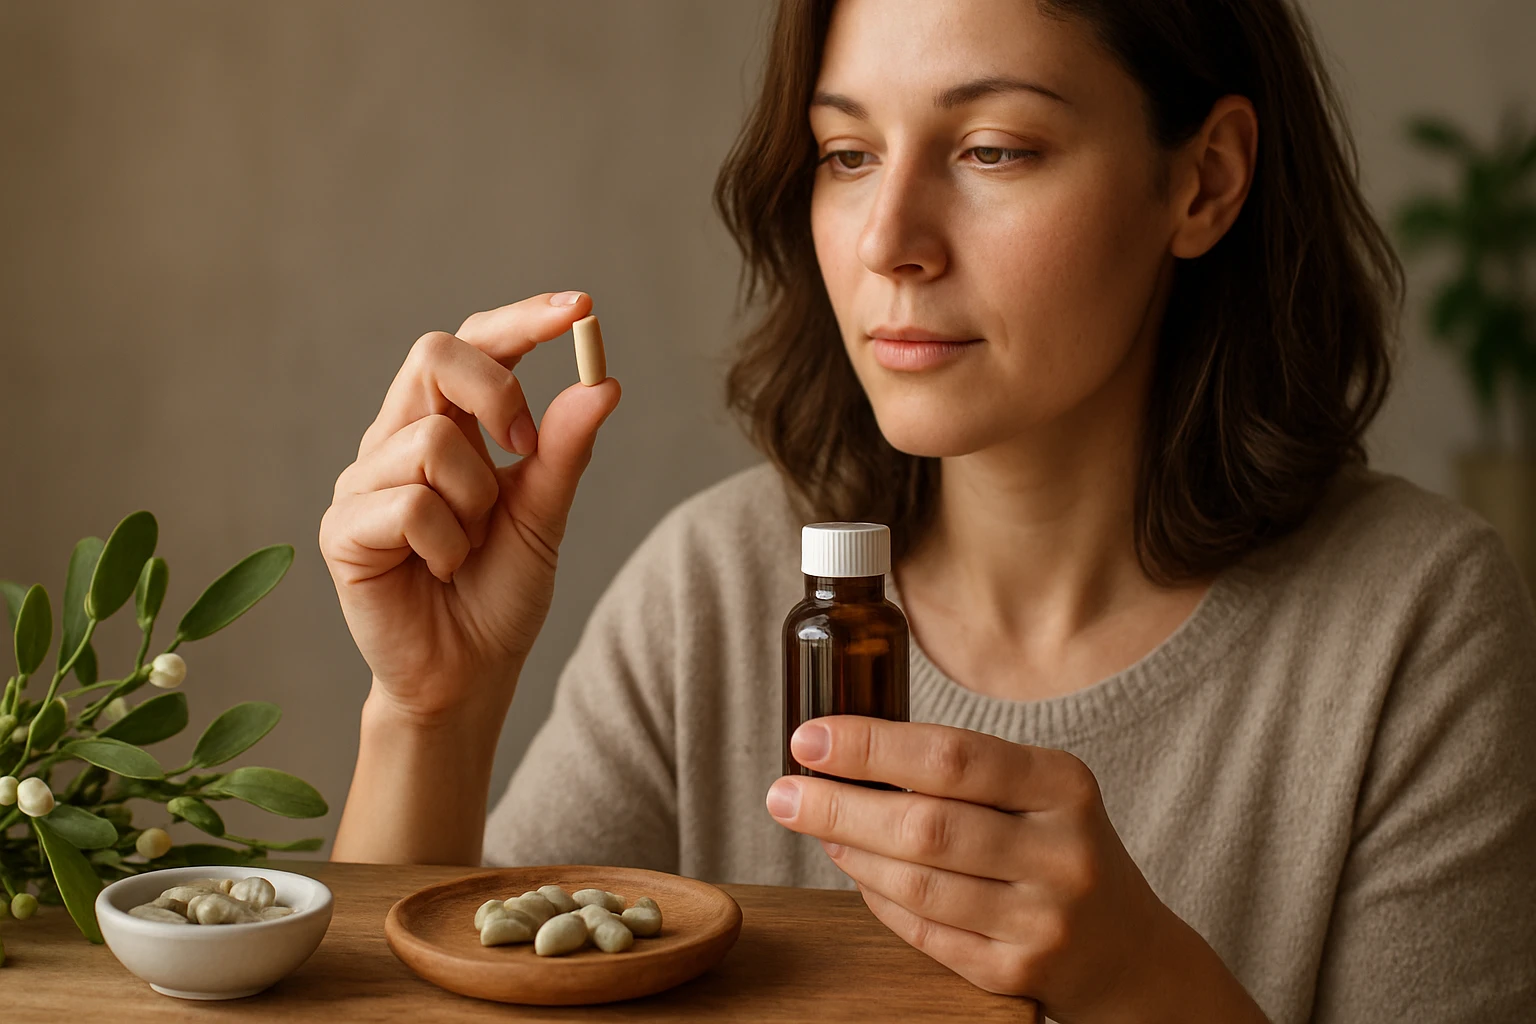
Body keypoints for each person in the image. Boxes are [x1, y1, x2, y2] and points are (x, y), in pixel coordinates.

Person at [320, 1, 1536, 1020]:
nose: (889, 240)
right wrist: (433, 709)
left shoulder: (1413, 621)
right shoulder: (716, 585)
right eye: (847, 155)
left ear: (1203, 182)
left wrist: (1140, 979)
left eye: (995, 148)